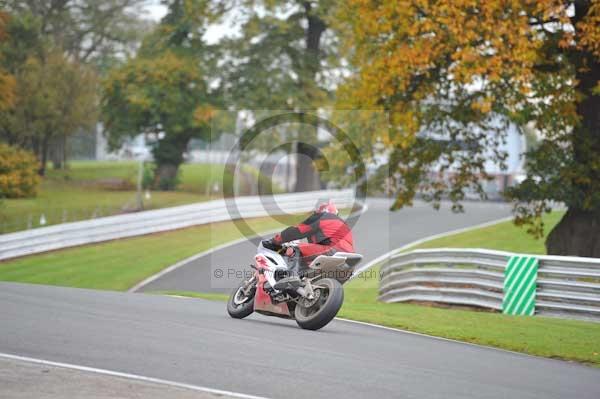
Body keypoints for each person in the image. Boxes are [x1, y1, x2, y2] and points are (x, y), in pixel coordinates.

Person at [263, 199, 354, 277]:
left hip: (332, 251)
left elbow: (296, 231)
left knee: (295, 249)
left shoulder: (321, 218)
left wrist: (275, 240)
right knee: (307, 261)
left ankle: (291, 277)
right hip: (349, 262)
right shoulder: (343, 224)